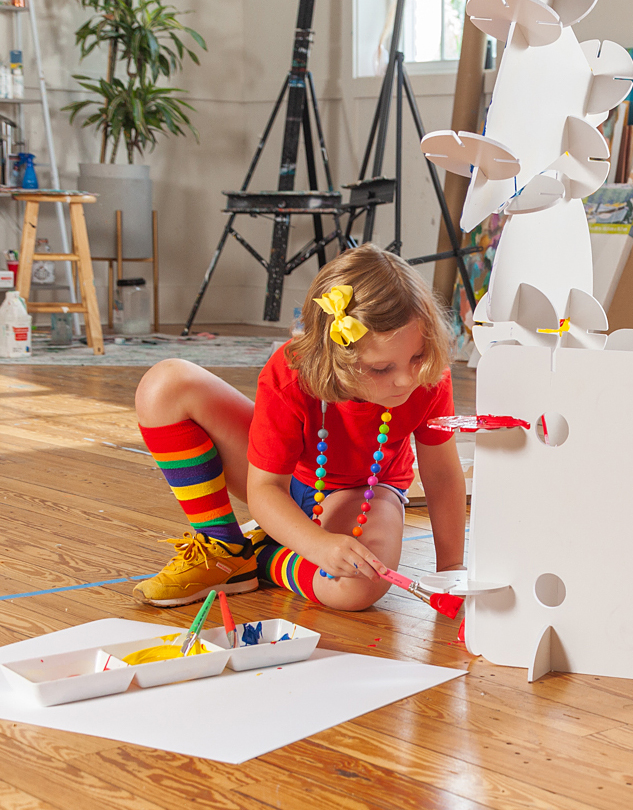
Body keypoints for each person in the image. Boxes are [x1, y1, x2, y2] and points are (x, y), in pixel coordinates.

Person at [132, 243, 467, 611]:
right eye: (381, 368)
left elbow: (442, 475)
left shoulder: (428, 378)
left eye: (417, 356)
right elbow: (264, 488)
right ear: (336, 356)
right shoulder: (291, 374)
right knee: (163, 386)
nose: (406, 379)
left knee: (356, 589)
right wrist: (317, 547)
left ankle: (261, 557)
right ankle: (225, 549)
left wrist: (451, 569)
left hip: (364, 491)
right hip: (281, 482)